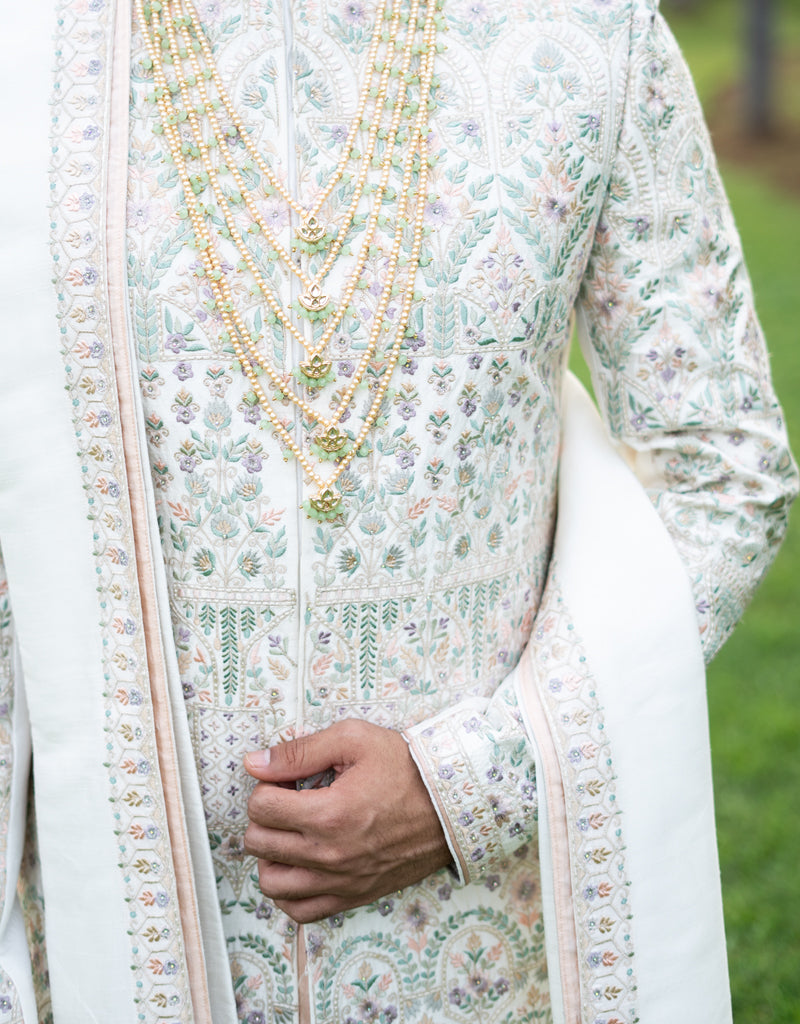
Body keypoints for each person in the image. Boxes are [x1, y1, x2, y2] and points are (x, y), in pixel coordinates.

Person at [0, 0, 796, 1019]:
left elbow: (718, 464)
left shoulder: (586, 32)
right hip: (101, 940)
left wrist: (464, 786)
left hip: (480, 956)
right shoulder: (29, 46)